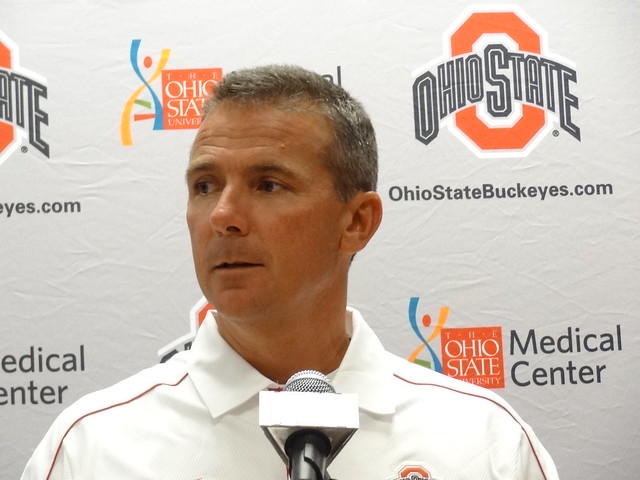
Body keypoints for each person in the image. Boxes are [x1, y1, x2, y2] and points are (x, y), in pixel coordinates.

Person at [21, 64, 559, 480]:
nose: (224, 217)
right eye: (204, 185)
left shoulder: (481, 439)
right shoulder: (92, 446)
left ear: (356, 222)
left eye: (268, 185)